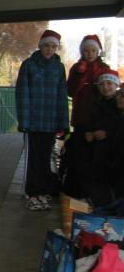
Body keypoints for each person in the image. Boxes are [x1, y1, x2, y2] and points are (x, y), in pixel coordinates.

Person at [14, 30, 70, 211]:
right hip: (33, 123)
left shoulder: (59, 68)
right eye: (46, 45)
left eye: (53, 46)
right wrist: (24, 121)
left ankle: (42, 192)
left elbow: (62, 96)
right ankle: (31, 193)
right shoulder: (29, 65)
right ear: (40, 46)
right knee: (33, 159)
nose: (49, 49)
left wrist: (63, 123)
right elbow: (22, 93)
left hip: (50, 122)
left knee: (46, 159)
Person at [81, 68, 121, 206]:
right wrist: (88, 132)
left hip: (113, 149)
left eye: (109, 83)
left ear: (116, 85)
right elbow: (91, 123)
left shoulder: (119, 104)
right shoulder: (97, 104)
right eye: (102, 84)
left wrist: (107, 134)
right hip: (96, 146)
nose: (105, 87)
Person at [67, 34, 110, 135]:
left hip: (100, 113)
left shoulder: (104, 68)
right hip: (80, 114)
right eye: (86, 51)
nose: (90, 54)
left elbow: (109, 90)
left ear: (97, 51)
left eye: (93, 51)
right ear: (82, 52)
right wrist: (80, 74)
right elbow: (70, 91)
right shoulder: (76, 68)